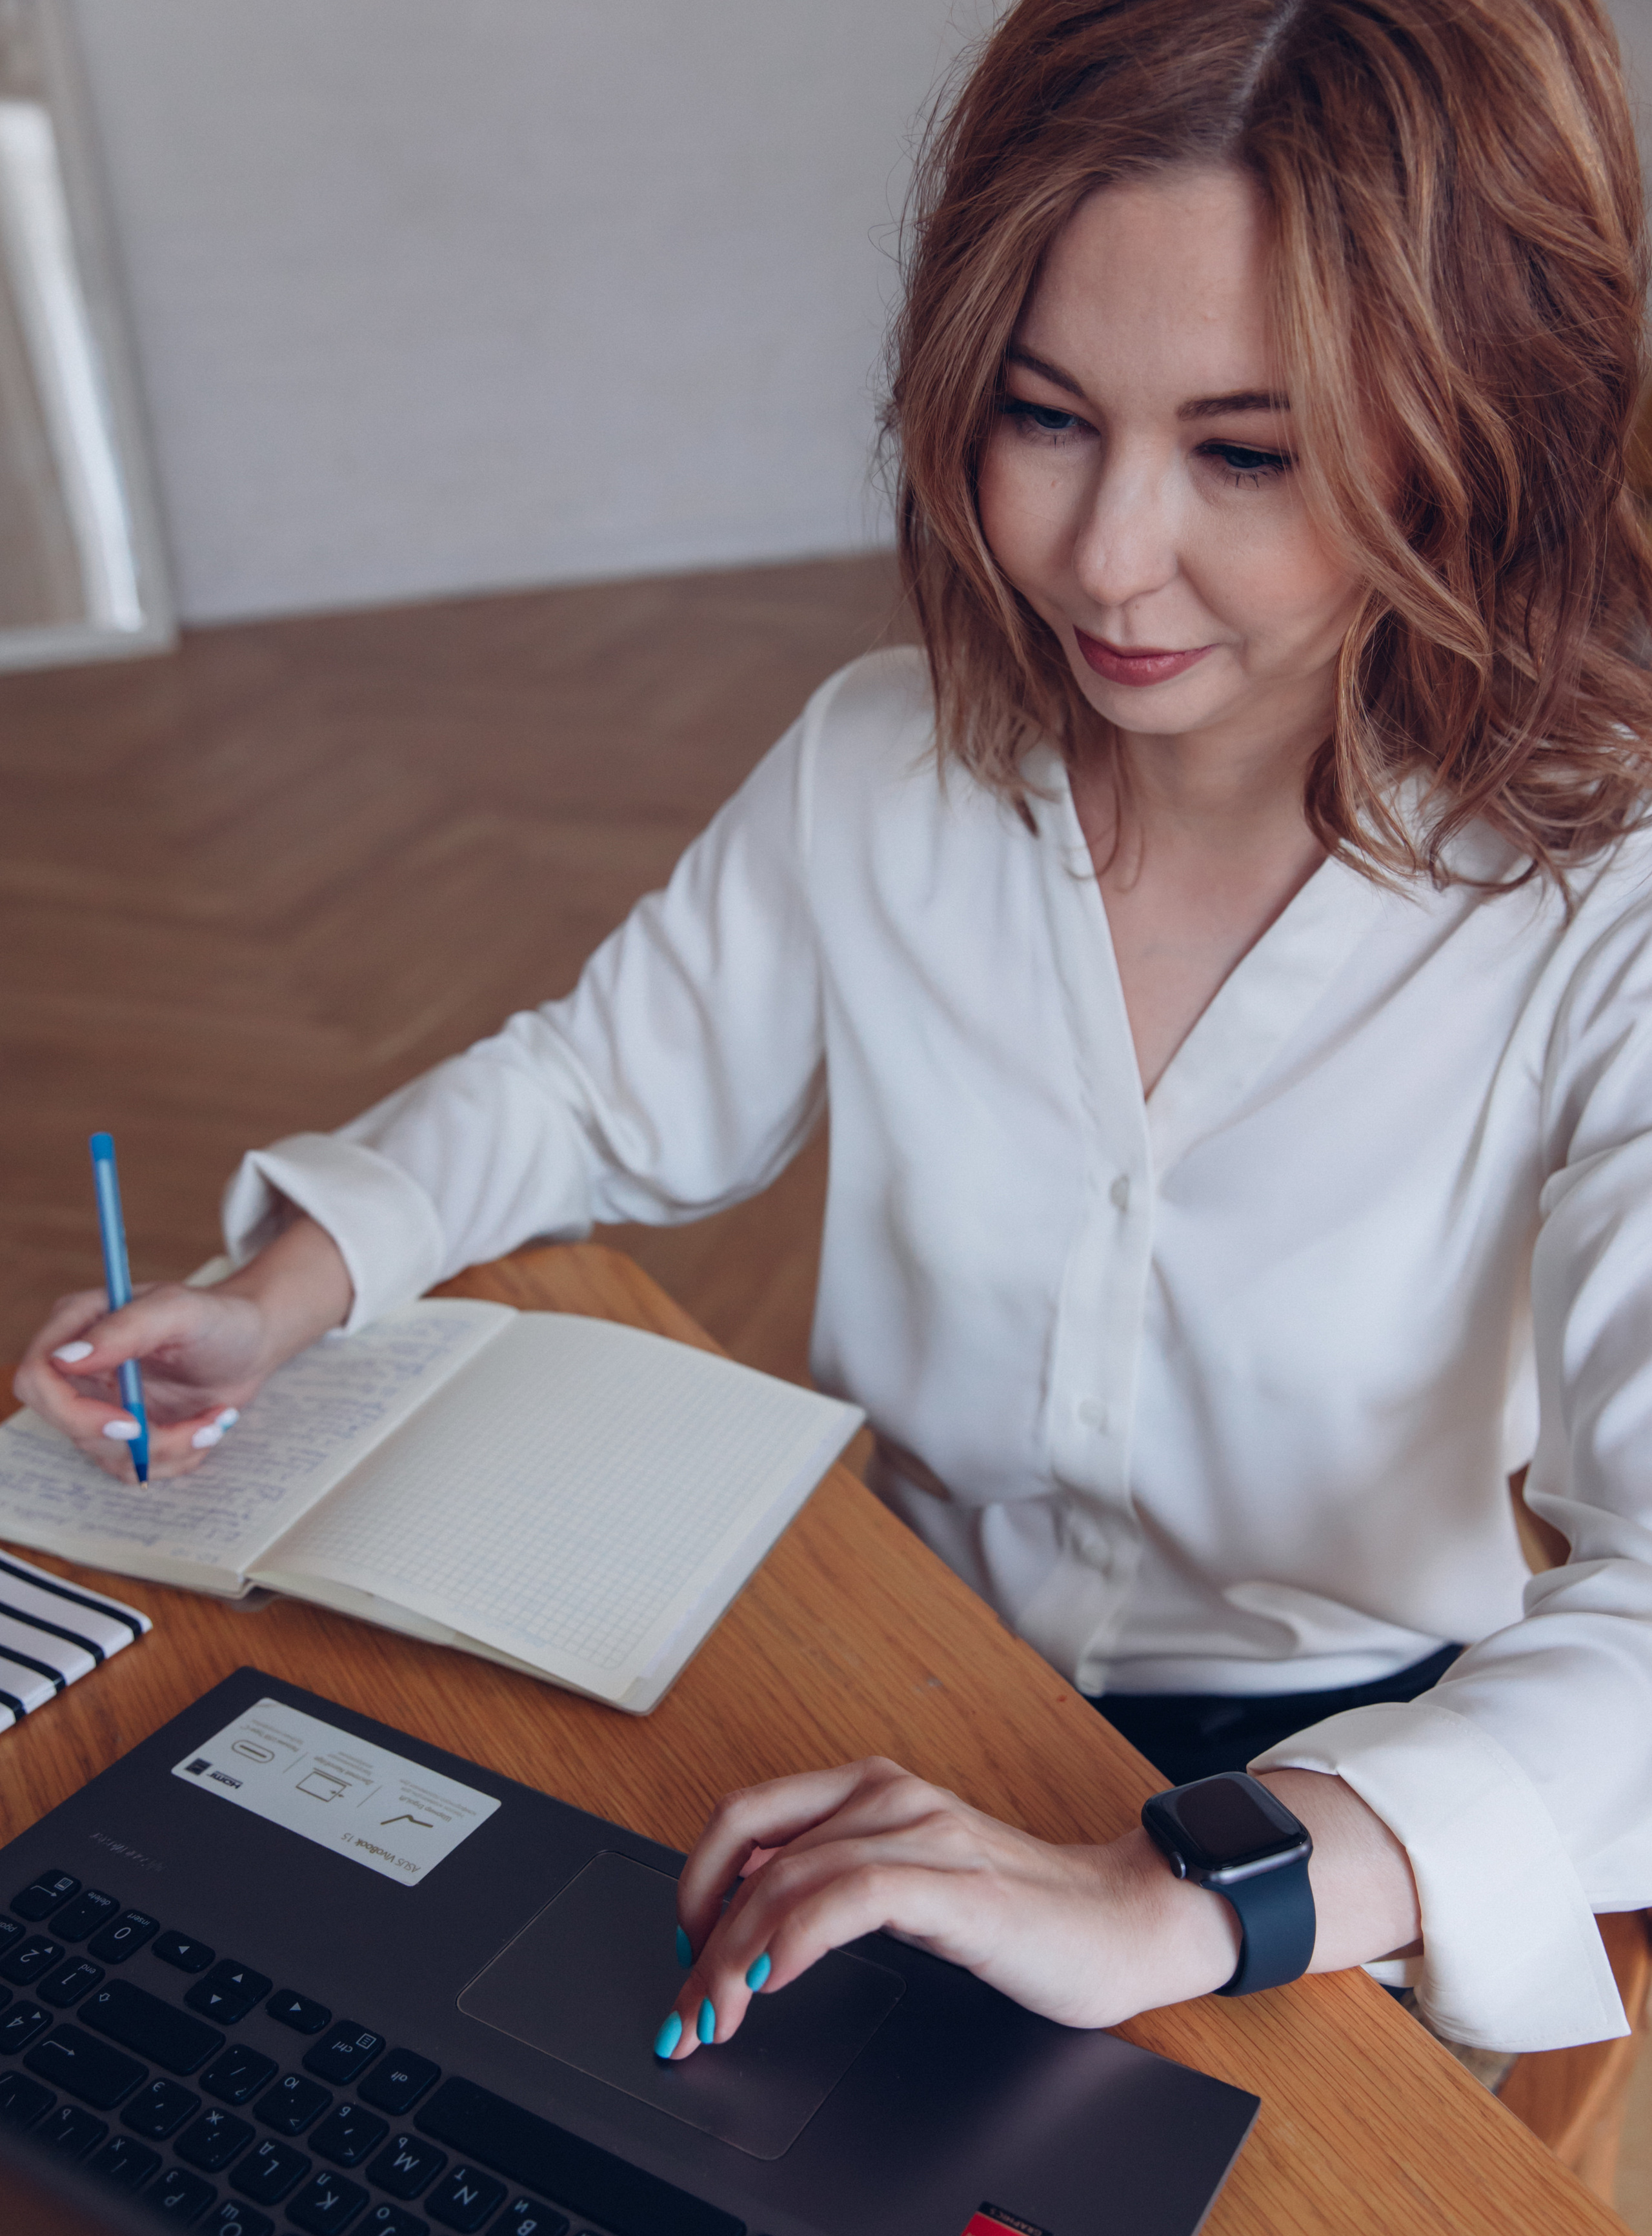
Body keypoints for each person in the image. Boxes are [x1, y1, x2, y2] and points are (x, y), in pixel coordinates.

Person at [18, 0, 1652, 2069]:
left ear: (1483, 428)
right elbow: (598, 1089)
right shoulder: (884, 764)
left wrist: (1189, 1891)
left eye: (1248, 453)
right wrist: (285, 1291)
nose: (1102, 552)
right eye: (1047, 416)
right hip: (880, 1669)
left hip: (1338, 1809)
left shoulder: (1607, 910)